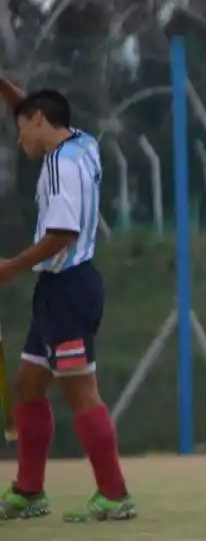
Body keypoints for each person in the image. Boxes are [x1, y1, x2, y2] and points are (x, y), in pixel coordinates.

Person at [0, 83, 136, 522]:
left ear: (39, 121)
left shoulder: (59, 166)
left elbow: (62, 234)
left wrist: (10, 267)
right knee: (27, 385)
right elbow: (32, 106)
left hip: (69, 291)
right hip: (58, 291)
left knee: (81, 392)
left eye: (21, 129)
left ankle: (114, 495)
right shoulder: (83, 143)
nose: (18, 139)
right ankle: (29, 491)